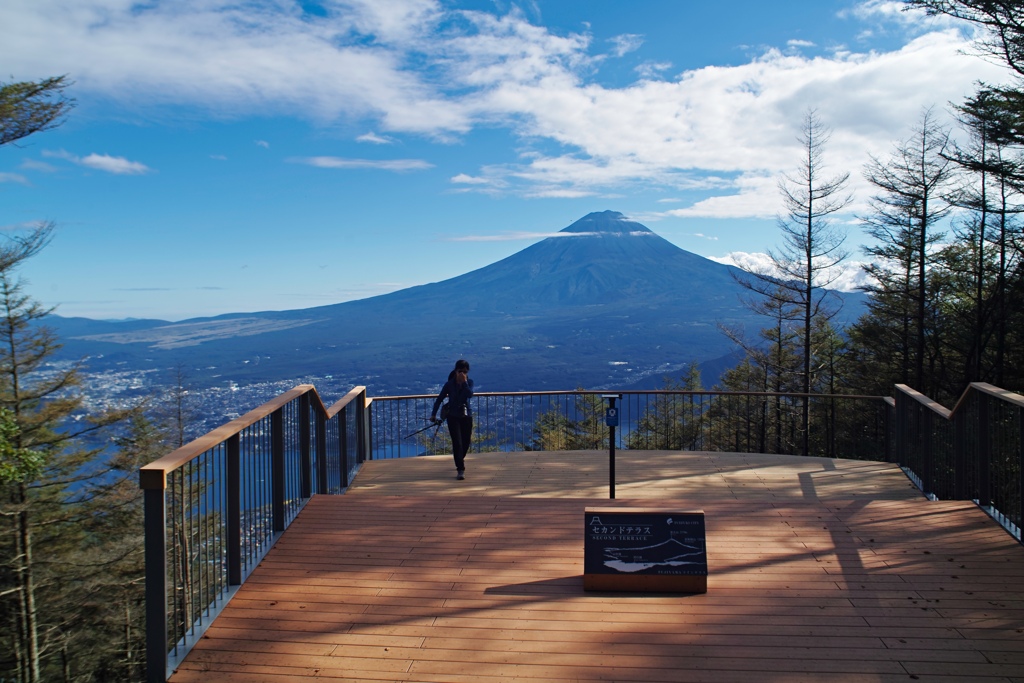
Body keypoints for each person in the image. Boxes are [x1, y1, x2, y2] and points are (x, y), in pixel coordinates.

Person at [431, 359, 474, 480]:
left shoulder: (469, 382)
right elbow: (439, 399)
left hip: (466, 416)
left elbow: (470, 394)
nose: (462, 374)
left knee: (466, 442)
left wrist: (464, 383)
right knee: (457, 443)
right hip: (453, 416)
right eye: (460, 371)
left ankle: (460, 458)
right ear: (455, 371)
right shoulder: (449, 384)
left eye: (465, 371)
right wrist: (433, 414)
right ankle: (460, 469)